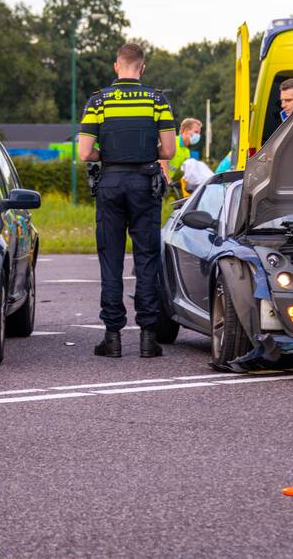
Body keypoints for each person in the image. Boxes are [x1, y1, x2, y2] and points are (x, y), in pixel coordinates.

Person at [77, 43, 176, 358]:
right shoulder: (157, 100)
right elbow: (169, 151)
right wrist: (146, 152)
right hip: (145, 182)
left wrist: (106, 153)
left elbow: (84, 152)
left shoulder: (98, 101)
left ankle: (113, 337)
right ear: (142, 68)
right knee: (146, 258)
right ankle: (148, 338)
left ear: (116, 66)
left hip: (110, 181)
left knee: (111, 258)